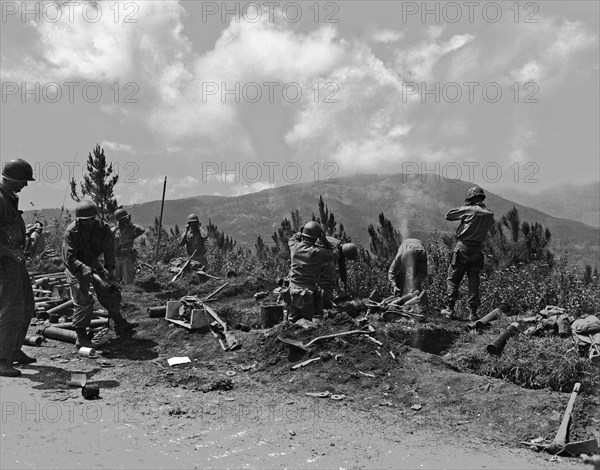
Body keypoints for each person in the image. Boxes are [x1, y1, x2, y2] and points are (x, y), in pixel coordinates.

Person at [63, 200, 137, 348]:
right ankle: (81, 336)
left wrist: (110, 270)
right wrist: (84, 269)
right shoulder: (71, 232)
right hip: (75, 266)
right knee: (83, 298)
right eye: (86, 220)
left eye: (92, 219)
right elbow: (69, 258)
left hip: (93, 262)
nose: (90, 223)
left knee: (109, 290)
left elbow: (109, 250)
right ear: (79, 219)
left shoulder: (103, 228)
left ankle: (118, 322)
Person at [0, 159, 37, 377]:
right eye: (24, 180)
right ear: (11, 178)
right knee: (10, 311)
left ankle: (13, 350)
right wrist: (10, 252)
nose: (25, 184)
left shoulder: (9, 199)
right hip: (5, 265)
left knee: (27, 306)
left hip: (16, 263)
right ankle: (2, 360)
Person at [441, 186, 494, 321]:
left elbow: (449, 215)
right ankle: (473, 313)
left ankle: (449, 309)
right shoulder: (489, 214)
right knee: (474, 282)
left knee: (453, 279)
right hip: (478, 251)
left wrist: (465, 209)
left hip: (463, 248)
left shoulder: (469, 210)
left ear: (470, 198)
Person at [287, 221, 339, 323]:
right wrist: (324, 240)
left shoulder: (294, 247)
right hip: (308, 293)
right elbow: (335, 254)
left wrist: (302, 230)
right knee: (310, 323)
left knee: (292, 321)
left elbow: (293, 237)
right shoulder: (316, 252)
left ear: (303, 233)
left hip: (292, 289)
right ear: (317, 237)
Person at [316, 236, 358, 311]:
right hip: (314, 255)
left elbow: (342, 266)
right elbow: (330, 274)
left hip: (318, 253)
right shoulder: (333, 250)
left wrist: (345, 283)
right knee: (326, 281)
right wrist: (338, 288)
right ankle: (324, 304)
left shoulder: (339, 246)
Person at [388, 238, 428, 304]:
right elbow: (392, 271)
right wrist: (393, 285)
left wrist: (416, 282)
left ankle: (419, 301)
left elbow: (423, 272)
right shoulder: (399, 256)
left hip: (418, 246)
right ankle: (397, 296)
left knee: (416, 279)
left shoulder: (421, 254)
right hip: (405, 244)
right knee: (400, 274)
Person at [111, 208, 145, 284]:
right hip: (115, 257)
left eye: (125, 218)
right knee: (115, 280)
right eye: (122, 219)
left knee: (129, 280)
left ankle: (130, 294)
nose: (124, 220)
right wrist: (116, 227)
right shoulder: (113, 230)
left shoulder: (130, 229)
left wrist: (130, 223)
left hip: (126, 257)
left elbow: (142, 230)